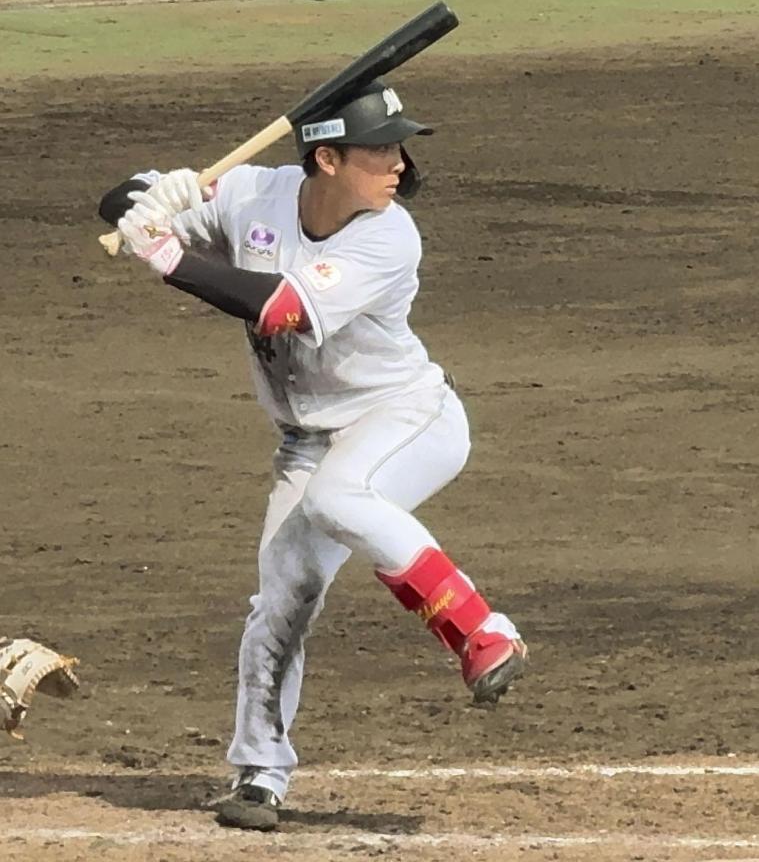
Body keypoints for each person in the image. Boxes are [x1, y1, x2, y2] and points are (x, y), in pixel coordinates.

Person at [98, 80, 528, 831]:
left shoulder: (390, 236)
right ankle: (259, 774)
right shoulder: (254, 194)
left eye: (399, 147)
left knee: (340, 497)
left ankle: (480, 630)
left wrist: (170, 259)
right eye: (380, 149)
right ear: (325, 158)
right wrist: (151, 194)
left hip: (405, 418)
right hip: (307, 438)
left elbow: (281, 310)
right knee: (281, 601)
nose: (397, 164)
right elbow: (117, 204)